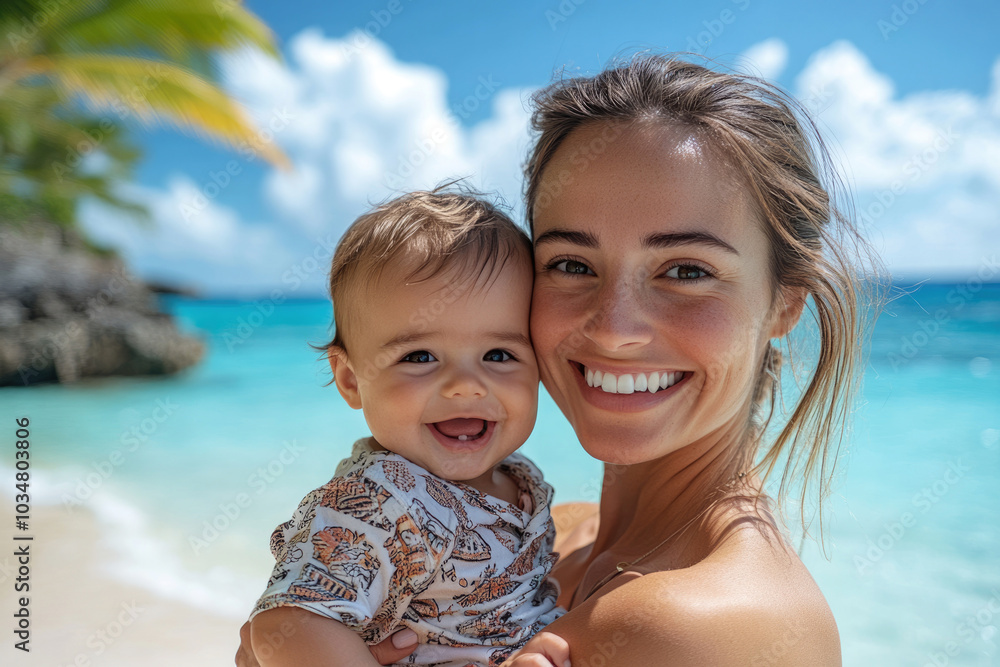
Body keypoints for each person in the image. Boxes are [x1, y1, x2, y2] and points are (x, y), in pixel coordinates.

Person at [238, 53, 877, 666]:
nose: (616, 329)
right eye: (571, 264)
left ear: (785, 304)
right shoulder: (541, 531)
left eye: (687, 270)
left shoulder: (699, 626)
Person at [247, 190, 571, 667]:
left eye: (499, 355)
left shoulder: (519, 476)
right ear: (351, 380)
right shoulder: (380, 503)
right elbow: (288, 625)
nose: (465, 386)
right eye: (419, 357)